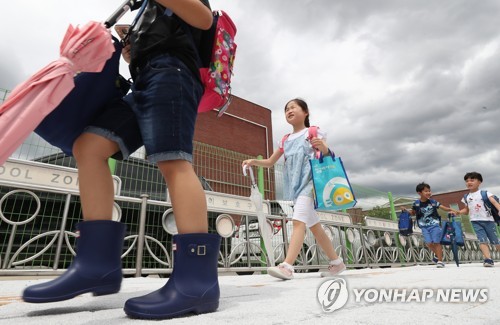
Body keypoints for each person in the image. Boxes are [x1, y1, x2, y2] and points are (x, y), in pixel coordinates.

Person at [22, 0, 221, 320]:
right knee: (88, 147)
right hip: (142, 81)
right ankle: (96, 265)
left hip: (173, 72)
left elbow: (202, 19)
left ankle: (197, 281)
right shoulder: (144, 10)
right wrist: (132, 48)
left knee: (173, 161)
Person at [242, 98, 346, 280]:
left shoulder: (313, 132)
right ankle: (337, 263)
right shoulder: (285, 140)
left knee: (298, 222)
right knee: (315, 228)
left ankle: (287, 266)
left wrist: (325, 148)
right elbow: (270, 162)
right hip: (295, 188)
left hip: (310, 184)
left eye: (293, 107)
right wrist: (253, 161)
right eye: (286, 109)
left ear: (305, 112)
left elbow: (326, 156)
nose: (289, 111)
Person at [404, 182, 456, 268]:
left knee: (436, 242)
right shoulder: (416, 203)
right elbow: (413, 213)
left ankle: (440, 261)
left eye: (429, 191)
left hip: (434, 225)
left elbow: (443, 207)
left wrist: (452, 210)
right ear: (419, 193)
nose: (429, 192)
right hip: (423, 226)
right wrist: (406, 211)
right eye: (426, 191)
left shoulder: (433, 202)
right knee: (428, 243)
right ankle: (437, 255)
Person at [456, 172, 500, 267]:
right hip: (475, 221)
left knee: (495, 241)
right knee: (482, 240)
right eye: (467, 181)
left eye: (472, 180)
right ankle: (488, 259)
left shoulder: (485, 193)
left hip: (488, 221)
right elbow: (466, 210)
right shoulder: (466, 197)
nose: (469, 182)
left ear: (479, 182)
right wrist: (458, 212)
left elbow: (495, 203)